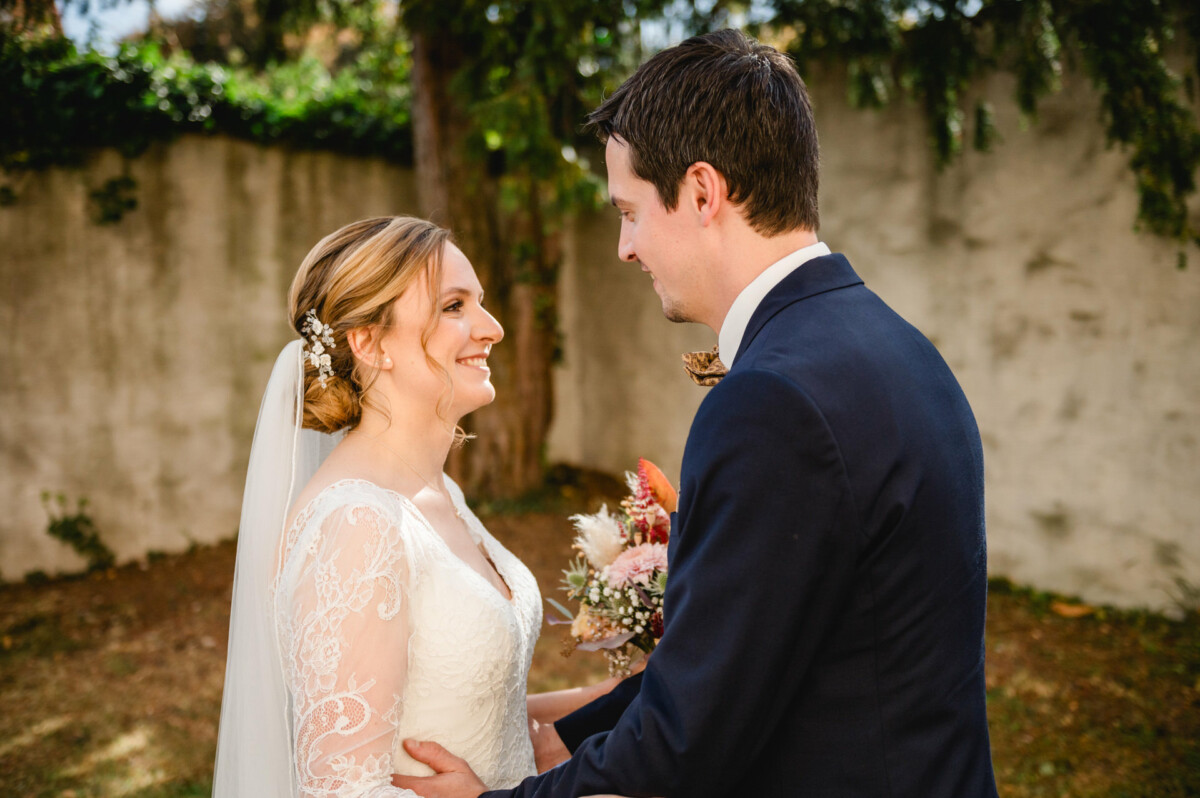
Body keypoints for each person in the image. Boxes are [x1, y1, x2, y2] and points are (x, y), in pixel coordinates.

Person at [395, 29, 999, 798]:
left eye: (631, 212)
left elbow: (691, 744)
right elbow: (739, 657)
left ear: (704, 192)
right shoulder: (897, 346)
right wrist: (558, 735)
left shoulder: (773, 401)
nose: (623, 248)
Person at [212, 216, 627, 797]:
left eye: (479, 303)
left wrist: (606, 701)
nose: (493, 328)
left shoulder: (438, 494)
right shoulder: (356, 525)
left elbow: (468, 708)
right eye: (453, 306)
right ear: (370, 343)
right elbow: (341, 789)